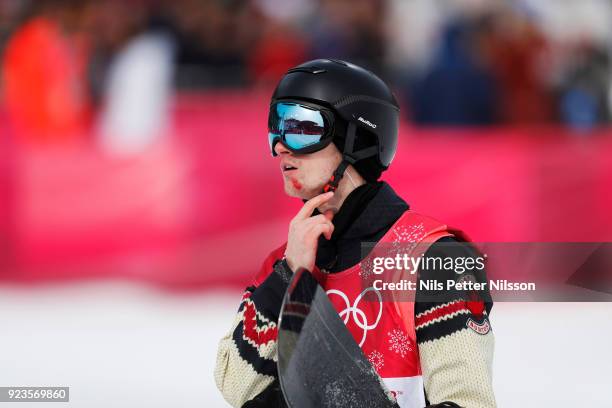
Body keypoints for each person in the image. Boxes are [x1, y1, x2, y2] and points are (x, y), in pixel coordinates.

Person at [214, 59, 495, 408]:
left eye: (302, 127)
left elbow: (469, 402)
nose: (280, 146)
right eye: (277, 127)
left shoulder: (433, 259)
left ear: (356, 138)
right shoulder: (287, 260)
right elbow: (235, 386)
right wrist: (287, 275)